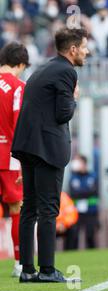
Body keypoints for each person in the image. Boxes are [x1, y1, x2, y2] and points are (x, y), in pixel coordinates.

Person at [11, 27, 89, 283]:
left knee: (29, 209)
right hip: (46, 148)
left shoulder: (43, 68)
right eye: (84, 47)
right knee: (48, 210)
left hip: (27, 145)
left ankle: (27, 270)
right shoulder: (67, 71)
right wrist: (75, 98)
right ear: (73, 49)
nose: (87, 52)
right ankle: (46, 270)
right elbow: (62, 114)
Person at [0, 42, 29, 277]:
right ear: (20, 64)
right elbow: (20, 124)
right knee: (16, 208)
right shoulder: (19, 86)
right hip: (9, 156)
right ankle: (19, 263)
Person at [69, 154, 99, 249]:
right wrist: (86, 192)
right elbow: (73, 193)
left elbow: (94, 191)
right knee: (74, 235)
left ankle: (93, 255)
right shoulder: (73, 177)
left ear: (84, 163)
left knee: (90, 235)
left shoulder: (92, 176)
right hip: (76, 210)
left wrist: (81, 192)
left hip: (91, 210)